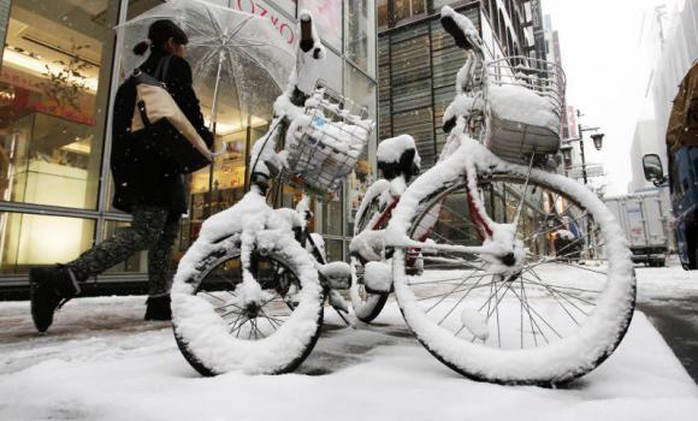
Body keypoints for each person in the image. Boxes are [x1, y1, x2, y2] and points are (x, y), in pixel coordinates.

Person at [28, 19, 214, 333]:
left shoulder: (135, 78)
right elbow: (189, 113)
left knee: (166, 231)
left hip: (141, 164)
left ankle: (158, 299)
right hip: (157, 164)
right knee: (145, 233)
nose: (184, 51)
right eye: (182, 45)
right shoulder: (174, 66)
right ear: (170, 42)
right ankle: (61, 279)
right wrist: (206, 138)